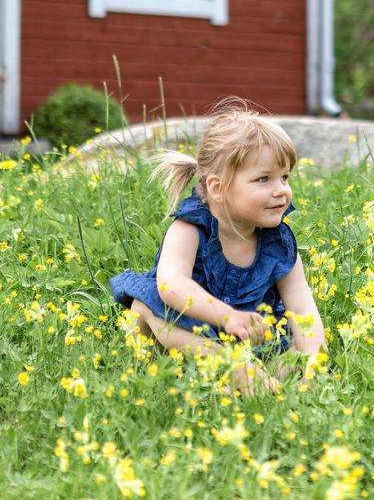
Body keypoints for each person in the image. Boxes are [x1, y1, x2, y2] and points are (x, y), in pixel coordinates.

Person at [110, 101, 326, 391]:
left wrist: (313, 363)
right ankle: (226, 368)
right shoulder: (190, 230)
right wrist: (226, 317)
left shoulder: (279, 244)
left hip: (252, 341)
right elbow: (171, 286)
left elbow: (303, 311)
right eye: (264, 179)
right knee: (145, 305)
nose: (282, 190)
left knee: (296, 351)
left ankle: (243, 379)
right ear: (217, 188)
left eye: (284, 177)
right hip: (187, 336)